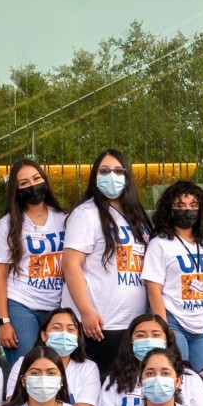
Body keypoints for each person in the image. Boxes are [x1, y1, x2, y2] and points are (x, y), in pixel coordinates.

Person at [63, 150, 151, 371]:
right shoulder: (86, 214)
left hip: (132, 324)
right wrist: (86, 311)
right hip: (100, 325)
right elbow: (71, 265)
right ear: (95, 176)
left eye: (118, 171)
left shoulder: (137, 216)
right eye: (104, 171)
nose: (112, 176)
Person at [0, 159, 69, 372]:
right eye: (24, 183)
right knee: (26, 369)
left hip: (57, 307)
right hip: (21, 305)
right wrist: (3, 321)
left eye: (36, 178)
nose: (32, 186)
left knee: (56, 369)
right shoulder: (8, 224)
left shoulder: (65, 218)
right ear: (16, 190)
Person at [143, 180, 203, 367]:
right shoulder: (159, 244)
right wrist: (163, 327)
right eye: (180, 205)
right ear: (170, 210)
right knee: (176, 371)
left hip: (202, 325)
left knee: (199, 375)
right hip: (173, 321)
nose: (187, 210)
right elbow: (153, 289)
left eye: (193, 205)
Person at [2, 308, 101, 405]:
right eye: (57, 328)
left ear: (78, 337)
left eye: (70, 329)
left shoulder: (88, 368)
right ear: (44, 335)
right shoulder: (22, 364)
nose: (64, 334)